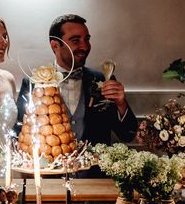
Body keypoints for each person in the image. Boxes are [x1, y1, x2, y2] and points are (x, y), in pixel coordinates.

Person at [15, 14, 138, 145]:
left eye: (87, 39)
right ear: (55, 45)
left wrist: (121, 104)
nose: (84, 46)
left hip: (94, 165)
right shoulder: (33, 84)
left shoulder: (102, 80)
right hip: (51, 165)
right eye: (76, 40)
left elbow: (127, 135)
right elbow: (20, 134)